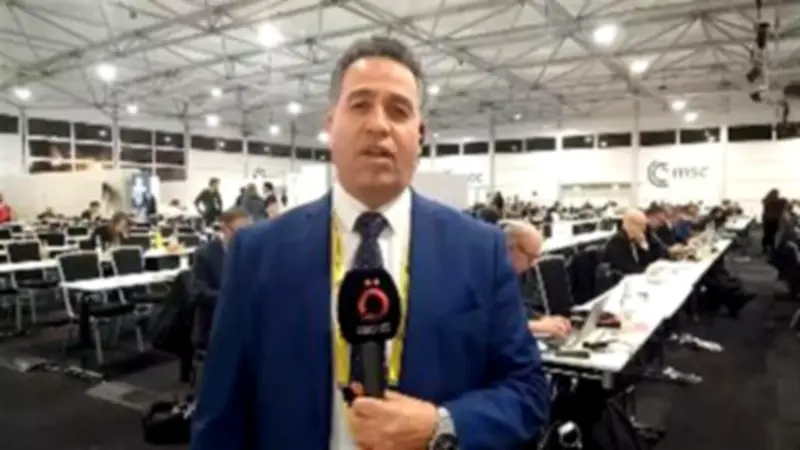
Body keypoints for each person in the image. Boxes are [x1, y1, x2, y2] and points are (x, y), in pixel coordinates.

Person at [191, 36, 549, 450]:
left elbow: (528, 390)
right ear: (330, 125)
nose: (379, 125)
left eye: (399, 110)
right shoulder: (258, 253)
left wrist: (441, 425)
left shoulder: (479, 250)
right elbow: (220, 416)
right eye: (360, 105)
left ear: (419, 135)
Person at [191, 208, 251, 350]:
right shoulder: (205, 254)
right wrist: (230, 297)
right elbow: (199, 292)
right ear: (224, 228)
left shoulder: (251, 253)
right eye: (241, 232)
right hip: (215, 325)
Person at [502, 220, 571, 339]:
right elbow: (488, 325)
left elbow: (516, 308)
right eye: (530, 257)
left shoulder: (509, 274)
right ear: (510, 249)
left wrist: (544, 319)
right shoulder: (481, 276)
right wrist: (536, 326)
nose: (533, 264)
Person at [605, 208, 667, 275]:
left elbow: (653, 259)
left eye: (644, 225)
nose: (643, 228)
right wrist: (649, 271)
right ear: (628, 224)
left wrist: (644, 248)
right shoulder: (617, 242)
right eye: (639, 224)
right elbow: (628, 268)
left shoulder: (640, 237)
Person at [762, 188, 785, 254]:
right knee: (771, 235)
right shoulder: (774, 201)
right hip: (772, 220)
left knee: (769, 235)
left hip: (769, 219)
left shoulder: (767, 201)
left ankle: (767, 249)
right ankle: (770, 249)